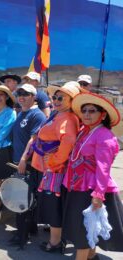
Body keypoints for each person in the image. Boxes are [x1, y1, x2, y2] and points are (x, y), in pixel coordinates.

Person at [62, 92, 123, 259]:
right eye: (84, 110)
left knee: (82, 230)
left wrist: (98, 194)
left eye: (92, 111)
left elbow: (104, 168)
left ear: (102, 115)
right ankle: (91, 256)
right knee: (87, 227)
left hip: (91, 189)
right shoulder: (85, 130)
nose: (87, 114)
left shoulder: (105, 136)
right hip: (77, 185)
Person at [31, 81, 80, 253]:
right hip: (51, 168)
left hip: (55, 170)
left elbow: (68, 141)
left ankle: (55, 242)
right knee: (53, 203)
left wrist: (54, 160)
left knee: (54, 204)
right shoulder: (59, 114)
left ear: (72, 101)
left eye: (61, 98)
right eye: (55, 97)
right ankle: (57, 239)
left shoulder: (67, 117)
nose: (56, 100)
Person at [10, 84, 46, 248]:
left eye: (26, 93)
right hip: (20, 161)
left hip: (29, 163)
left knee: (21, 199)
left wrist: (24, 159)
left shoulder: (37, 115)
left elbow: (34, 140)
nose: (21, 96)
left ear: (34, 96)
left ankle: (21, 237)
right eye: (19, 93)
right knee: (27, 198)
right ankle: (30, 230)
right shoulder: (22, 113)